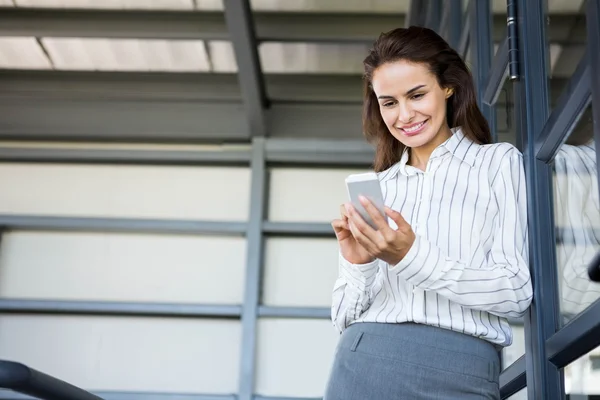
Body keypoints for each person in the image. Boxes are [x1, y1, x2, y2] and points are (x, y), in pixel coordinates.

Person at [324, 26, 533, 400]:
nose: (404, 115)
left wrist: (410, 256)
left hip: (464, 366)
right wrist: (359, 264)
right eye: (389, 102)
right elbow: (342, 319)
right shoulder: (380, 186)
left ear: (448, 86)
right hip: (364, 360)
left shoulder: (498, 164)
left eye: (416, 95)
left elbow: (515, 291)